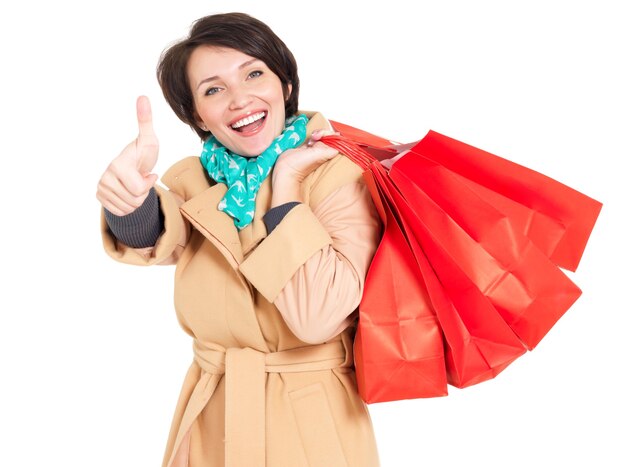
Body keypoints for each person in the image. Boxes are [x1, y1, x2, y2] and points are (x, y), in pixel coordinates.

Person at [97, 12, 381, 467]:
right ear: (198, 117)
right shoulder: (198, 182)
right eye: (213, 89)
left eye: (254, 73)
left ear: (285, 86)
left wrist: (287, 185)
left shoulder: (341, 176)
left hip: (312, 424)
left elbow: (316, 317)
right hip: (214, 415)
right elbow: (159, 234)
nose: (239, 99)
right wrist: (129, 203)